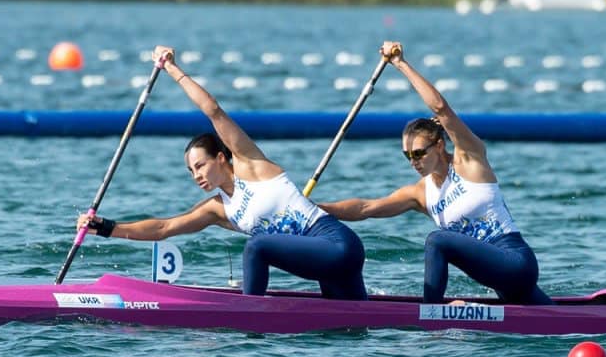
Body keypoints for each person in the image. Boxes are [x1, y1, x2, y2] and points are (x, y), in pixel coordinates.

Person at [77, 45, 367, 300]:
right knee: (356, 323)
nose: (196, 176)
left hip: (339, 245)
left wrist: (172, 69)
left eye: (200, 165)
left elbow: (213, 110)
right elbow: (164, 228)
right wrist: (105, 227)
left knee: (257, 247)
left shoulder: (249, 163)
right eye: (191, 171)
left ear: (220, 157)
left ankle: (249, 317)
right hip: (326, 267)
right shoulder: (217, 209)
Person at [321, 41, 552, 305]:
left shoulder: (470, 159)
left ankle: (431, 311)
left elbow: (441, 108)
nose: (413, 162)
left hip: (516, 262)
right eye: (408, 156)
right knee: (561, 323)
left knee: (437, 240)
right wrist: (317, 208)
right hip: (497, 279)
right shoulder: (420, 193)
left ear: (439, 145)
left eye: (419, 153)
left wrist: (400, 64)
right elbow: (365, 207)